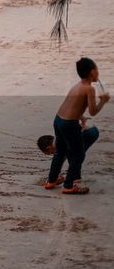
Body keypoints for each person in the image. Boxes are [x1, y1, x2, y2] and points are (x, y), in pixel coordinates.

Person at [45, 57, 109, 194]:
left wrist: (80, 116)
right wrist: (103, 101)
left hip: (59, 120)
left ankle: (51, 180)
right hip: (69, 125)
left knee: (60, 152)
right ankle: (68, 185)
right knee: (78, 155)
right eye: (97, 69)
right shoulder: (89, 89)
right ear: (92, 72)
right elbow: (93, 111)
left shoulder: (77, 86)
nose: (98, 72)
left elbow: (70, 105)